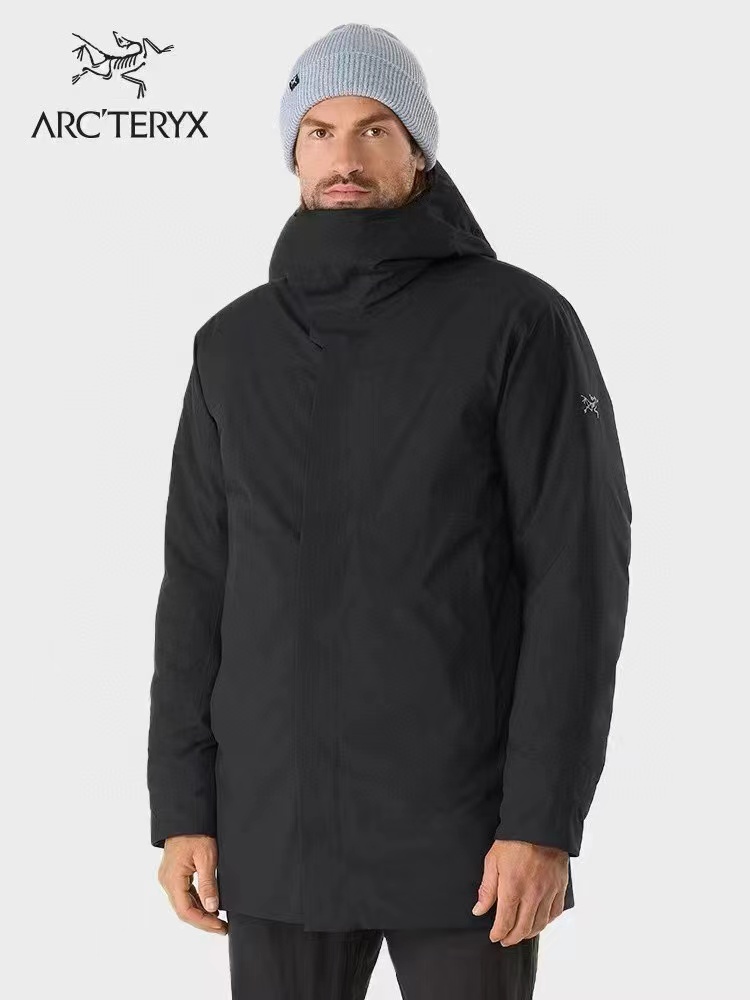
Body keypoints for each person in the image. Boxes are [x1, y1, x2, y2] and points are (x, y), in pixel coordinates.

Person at [147, 22, 632, 1000]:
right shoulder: (232, 347)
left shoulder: (518, 322)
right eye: (319, 131)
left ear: (419, 149)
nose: (345, 157)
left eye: (375, 129)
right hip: (273, 827)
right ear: (293, 153)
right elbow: (198, 586)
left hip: (465, 833)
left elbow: (577, 578)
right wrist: (183, 806)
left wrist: (541, 822)